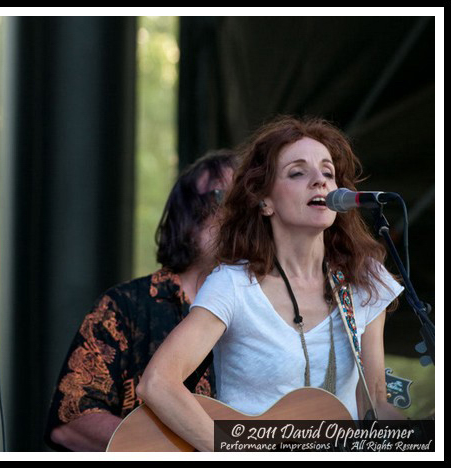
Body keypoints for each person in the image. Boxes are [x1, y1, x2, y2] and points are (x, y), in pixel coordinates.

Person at [136, 116, 405, 452]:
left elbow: (375, 404)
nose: (319, 181)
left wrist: (424, 438)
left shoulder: (364, 280)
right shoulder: (233, 286)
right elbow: (158, 383)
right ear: (265, 202)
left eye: (328, 172)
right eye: (298, 172)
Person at [45, 150, 238, 451]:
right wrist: (182, 446)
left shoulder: (273, 309)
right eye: (223, 198)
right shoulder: (126, 307)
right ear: (187, 215)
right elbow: (71, 421)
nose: (241, 212)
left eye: (250, 201)